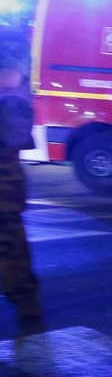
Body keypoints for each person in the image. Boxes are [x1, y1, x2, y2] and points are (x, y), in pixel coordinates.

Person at [0, 27, 41, 328]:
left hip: (3, 180)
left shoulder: (8, 40)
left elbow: (10, 79)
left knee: (9, 249)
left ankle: (27, 307)